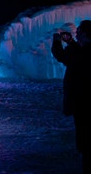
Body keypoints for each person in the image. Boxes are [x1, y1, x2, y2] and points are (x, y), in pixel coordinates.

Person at [51, 20, 91, 173]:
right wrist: (71, 42)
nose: (76, 35)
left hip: (84, 104)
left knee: (85, 142)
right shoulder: (84, 51)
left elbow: (63, 56)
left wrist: (56, 42)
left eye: (79, 33)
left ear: (86, 35)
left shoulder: (85, 54)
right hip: (83, 103)